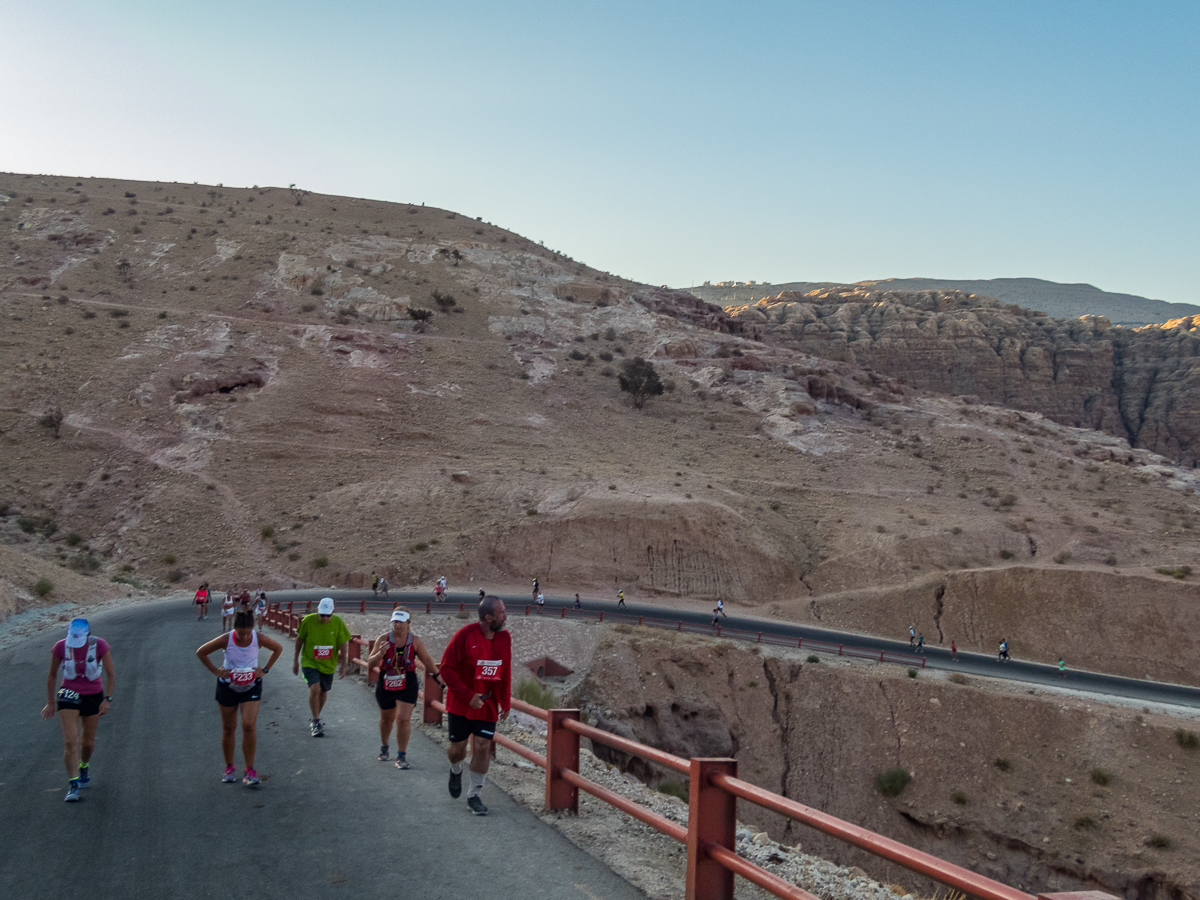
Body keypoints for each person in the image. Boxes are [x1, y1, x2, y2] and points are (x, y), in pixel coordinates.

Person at [439, 595, 512, 816]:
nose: (505, 616)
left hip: (488, 705)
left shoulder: (504, 638)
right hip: (461, 704)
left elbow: (505, 670)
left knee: (482, 747)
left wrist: (505, 701)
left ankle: (474, 795)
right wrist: (468, 695)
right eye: (501, 613)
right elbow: (446, 669)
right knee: (457, 750)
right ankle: (455, 769)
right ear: (488, 617)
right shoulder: (464, 636)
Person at [196, 610, 283, 786]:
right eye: (240, 634)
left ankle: (249, 770)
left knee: (248, 725)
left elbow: (278, 648)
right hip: (227, 686)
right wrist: (215, 671)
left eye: (247, 633)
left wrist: (265, 670)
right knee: (229, 728)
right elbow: (201, 652)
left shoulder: (258, 638)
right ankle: (229, 767)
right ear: (234, 628)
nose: (244, 638)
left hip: (251, 685)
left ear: (252, 629)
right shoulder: (225, 639)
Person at [42, 618, 115, 802]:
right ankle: (73, 785)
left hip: (93, 694)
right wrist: (51, 702)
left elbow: (110, 674)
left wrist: (107, 699)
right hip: (68, 693)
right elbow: (52, 675)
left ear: (88, 635)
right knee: (70, 741)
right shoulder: (60, 646)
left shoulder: (100, 645)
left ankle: (84, 765)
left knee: (87, 742)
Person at [368, 609, 443, 768]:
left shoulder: (415, 641)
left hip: (407, 682)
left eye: (401, 622)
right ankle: (385, 746)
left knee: (403, 719)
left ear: (408, 623)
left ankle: (401, 755)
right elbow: (371, 664)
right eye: (395, 621)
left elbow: (427, 659)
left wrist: (437, 675)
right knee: (387, 719)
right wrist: (380, 653)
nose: (398, 625)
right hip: (387, 680)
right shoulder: (383, 639)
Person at [292, 597, 351, 737]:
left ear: (332, 612)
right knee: (315, 688)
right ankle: (316, 721)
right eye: (322, 615)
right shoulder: (308, 621)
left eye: (328, 615)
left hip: (328, 664)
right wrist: (295, 661)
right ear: (318, 612)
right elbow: (299, 640)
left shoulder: (338, 623)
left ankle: (316, 715)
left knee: (324, 691)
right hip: (310, 661)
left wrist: (343, 665)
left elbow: (343, 643)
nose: (324, 618)